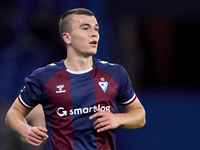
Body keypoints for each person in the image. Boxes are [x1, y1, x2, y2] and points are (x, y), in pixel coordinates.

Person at [5, 8, 146, 150]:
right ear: (67, 37)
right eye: (85, 28)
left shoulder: (115, 73)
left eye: (96, 29)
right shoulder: (43, 77)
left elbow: (139, 116)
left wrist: (118, 118)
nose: (94, 34)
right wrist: (26, 130)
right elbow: (13, 113)